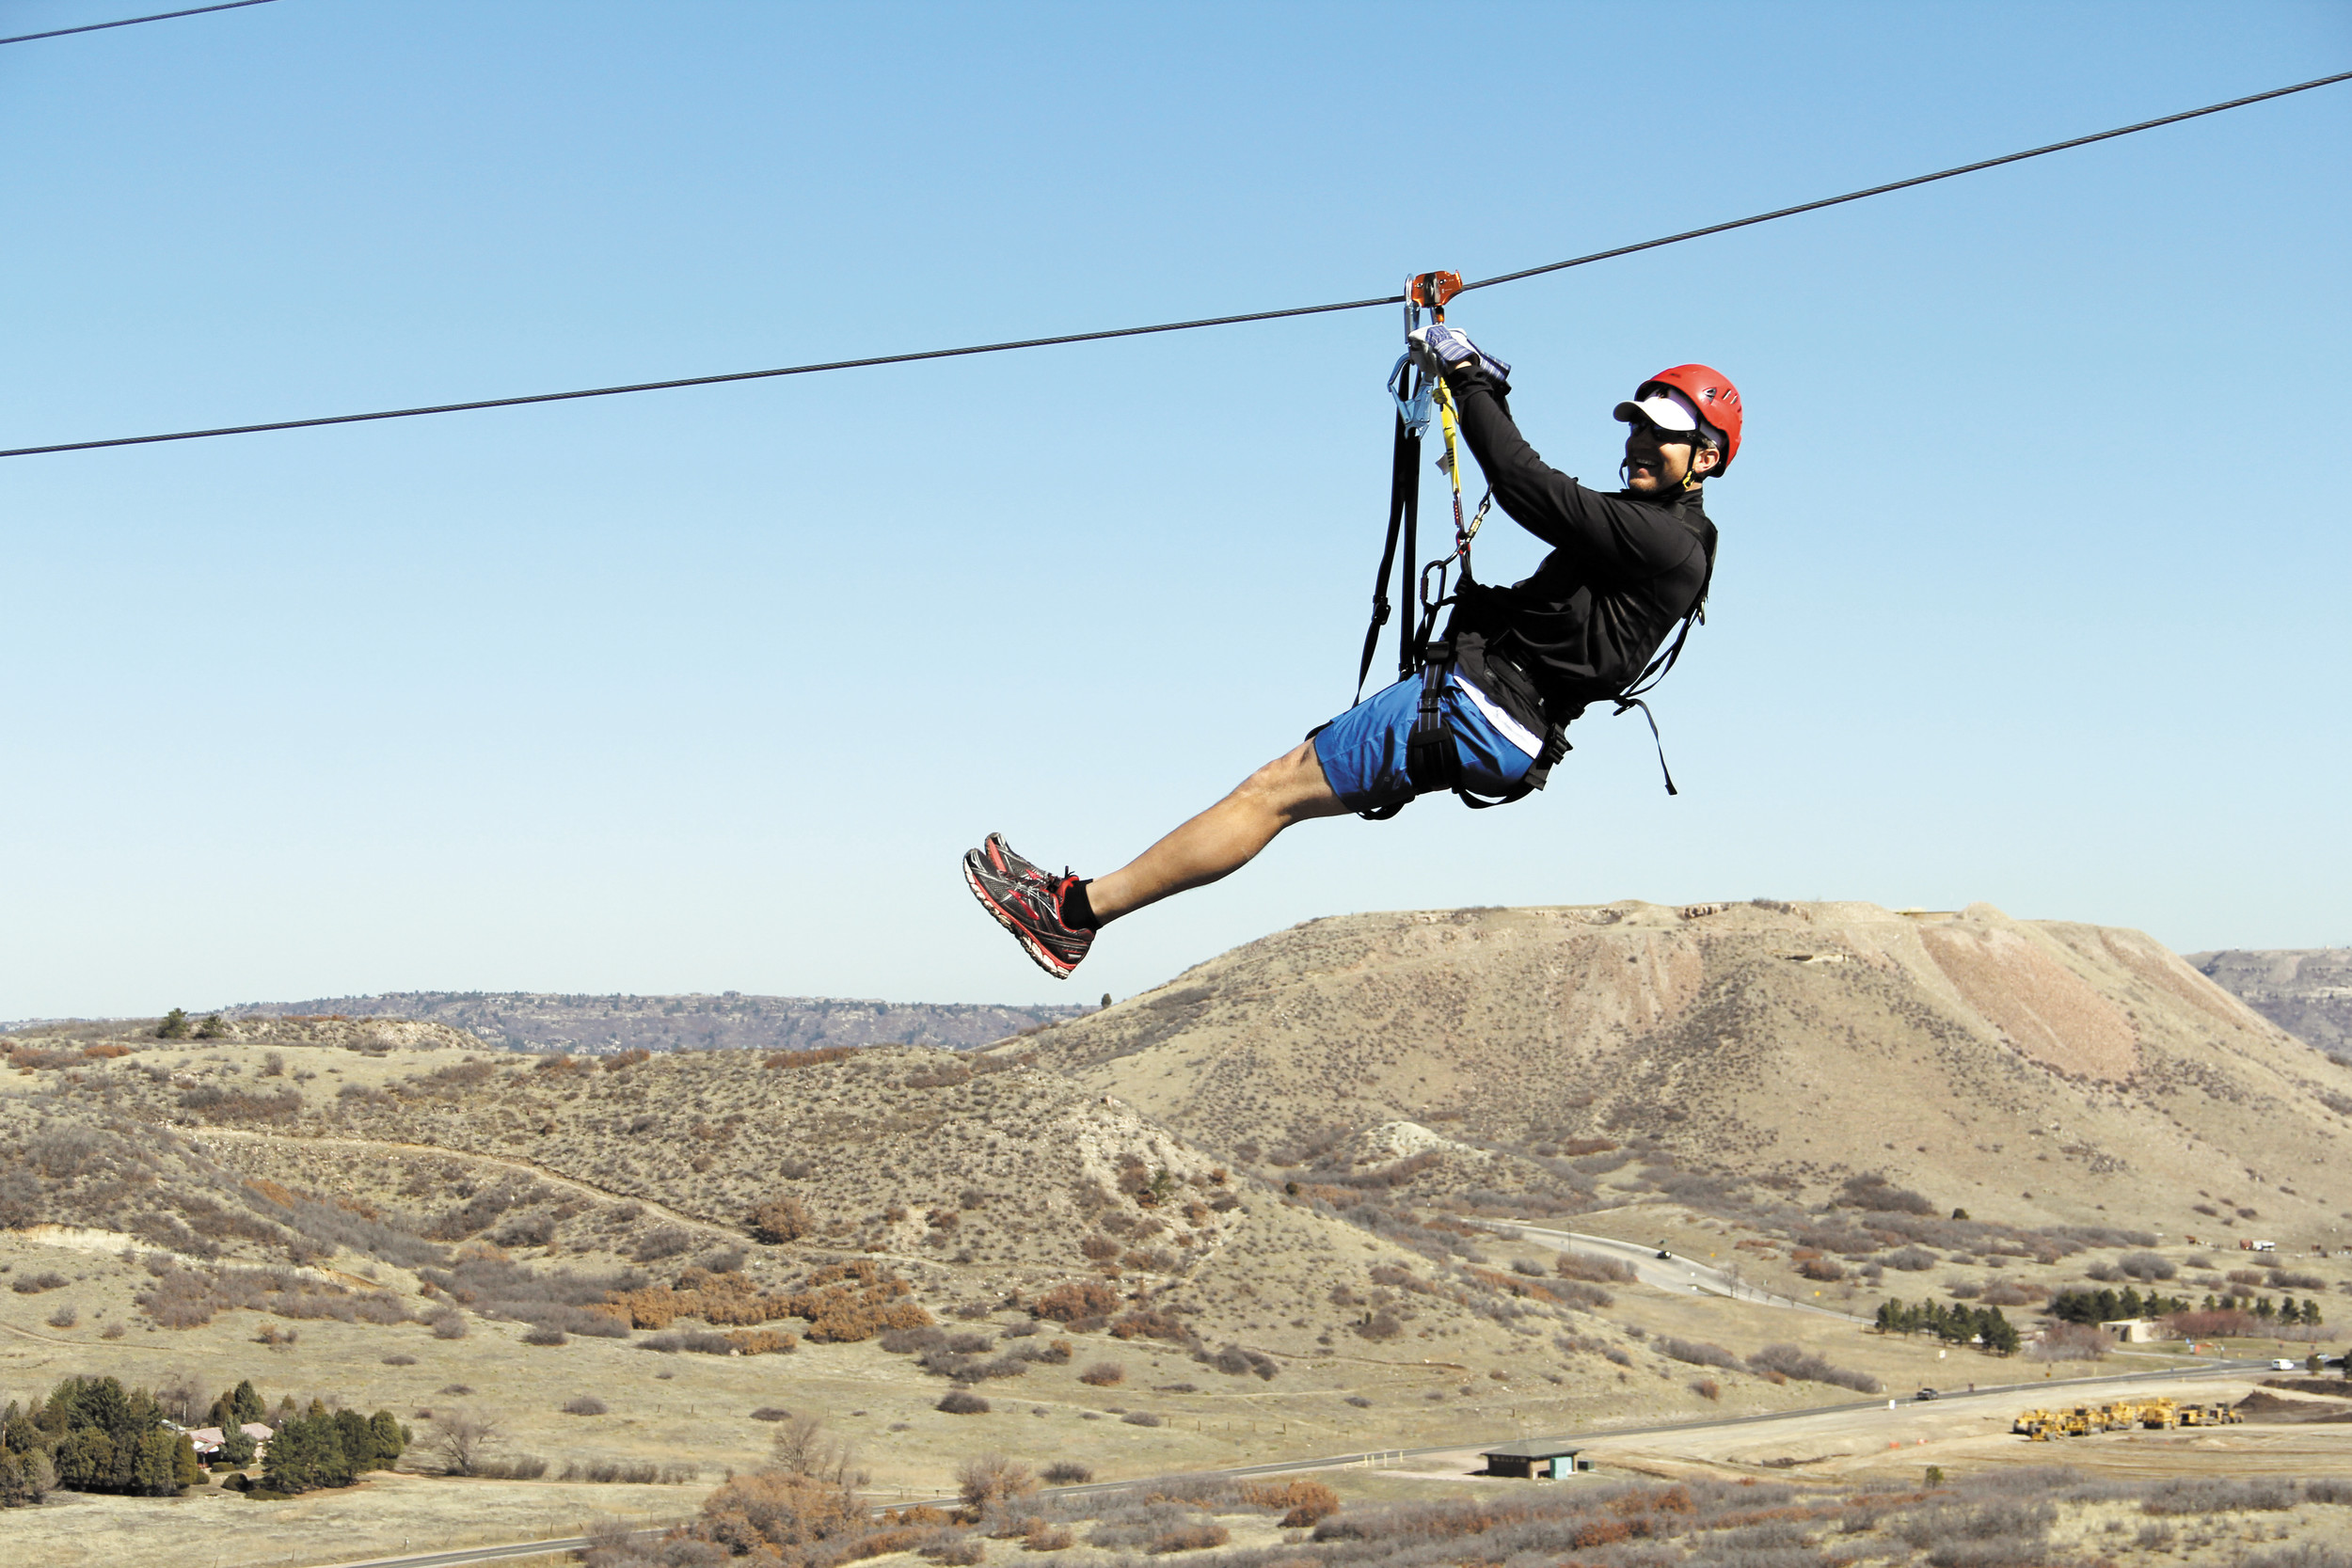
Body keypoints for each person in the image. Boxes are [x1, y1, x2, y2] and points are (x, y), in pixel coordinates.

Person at [964, 326, 1741, 977]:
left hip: (1487, 710)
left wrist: (1471, 380)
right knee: (1280, 786)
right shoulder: (1656, 532)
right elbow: (1556, 552)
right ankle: (1075, 911)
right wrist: (1481, 395)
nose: (1638, 443)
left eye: (1660, 435)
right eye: (1635, 427)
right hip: (1496, 712)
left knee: (1271, 791)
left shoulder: (1668, 541)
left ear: (1704, 457)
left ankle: (1072, 915)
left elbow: (1524, 483)